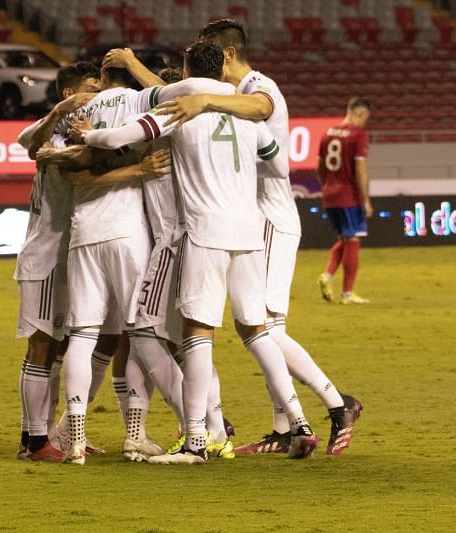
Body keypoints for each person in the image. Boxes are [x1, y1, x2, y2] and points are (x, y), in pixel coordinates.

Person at [84, 41, 319, 464]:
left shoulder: (182, 107)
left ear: (189, 67)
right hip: (248, 233)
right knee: (258, 330)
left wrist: (86, 134)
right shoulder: (244, 109)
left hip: (205, 233)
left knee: (196, 334)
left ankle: (197, 440)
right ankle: (299, 422)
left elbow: (120, 136)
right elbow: (279, 166)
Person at [137, 19, 361, 457]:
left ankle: (337, 405)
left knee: (266, 328)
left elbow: (275, 160)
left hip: (268, 218)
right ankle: (286, 429)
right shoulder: (229, 96)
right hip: (246, 218)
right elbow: (185, 96)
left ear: (225, 56)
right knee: (253, 328)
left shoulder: (261, 91)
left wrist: (211, 120)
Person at [13, 62, 101, 462]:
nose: (96, 95)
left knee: (61, 348)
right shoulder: (52, 136)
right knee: (42, 347)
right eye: (89, 88)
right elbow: (28, 143)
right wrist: (59, 115)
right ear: (69, 93)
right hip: (46, 256)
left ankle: (48, 435)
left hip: (72, 256)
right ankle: (32, 443)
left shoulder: (86, 134)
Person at [316, 97, 373, 306]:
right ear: (361, 113)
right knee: (353, 241)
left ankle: (327, 276)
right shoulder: (357, 135)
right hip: (349, 196)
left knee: (344, 239)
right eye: (366, 117)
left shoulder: (327, 133)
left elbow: (318, 167)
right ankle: (347, 293)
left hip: (329, 194)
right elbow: (360, 169)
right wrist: (365, 199)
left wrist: (328, 185)